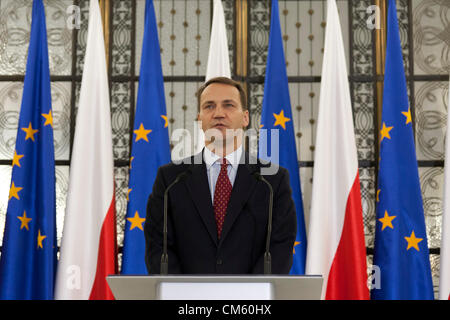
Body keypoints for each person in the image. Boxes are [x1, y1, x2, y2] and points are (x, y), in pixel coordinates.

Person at [144, 77, 297, 274]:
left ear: (245, 118)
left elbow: (280, 247)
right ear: (199, 119)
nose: (218, 113)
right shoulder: (171, 180)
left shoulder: (272, 180)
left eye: (229, 105)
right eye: (209, 106)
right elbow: (158, 246)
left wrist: (245, 298)